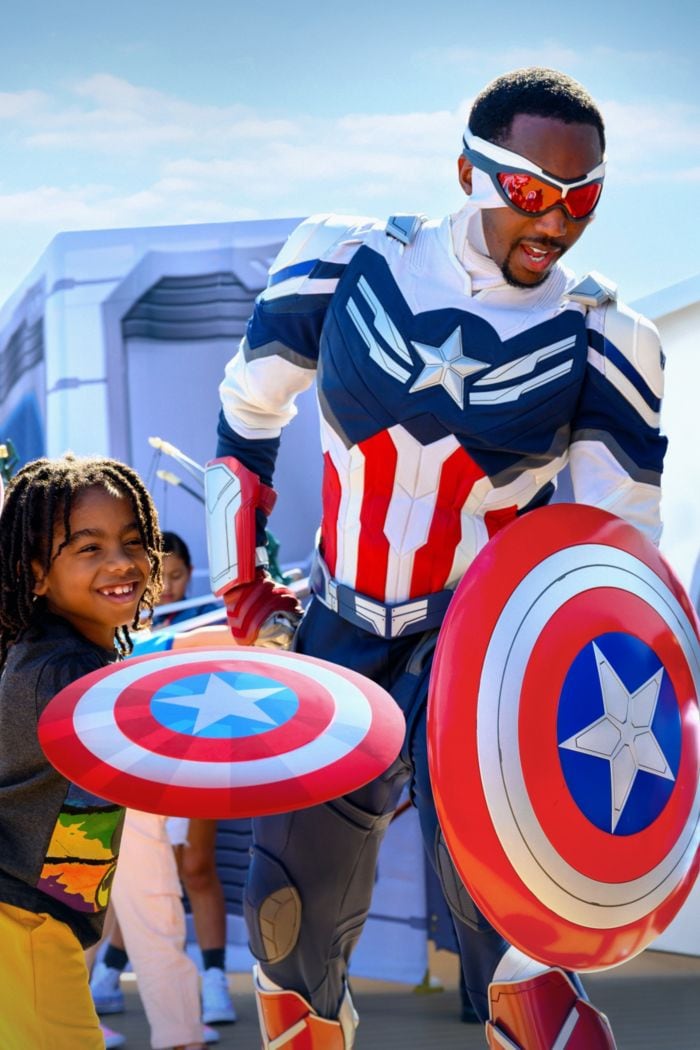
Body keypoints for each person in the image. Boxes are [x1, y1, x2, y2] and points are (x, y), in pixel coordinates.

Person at [208, 68, 667, 1049]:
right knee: (288, 942)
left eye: (583, 197)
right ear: (468, 171)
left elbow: (618, 560)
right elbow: (248, 408)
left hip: (484, 657)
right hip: (339, 633)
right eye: (530, 190)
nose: (555, 220)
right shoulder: (343, 260)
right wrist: (239, 576)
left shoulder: (605, 335)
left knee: (525, 957)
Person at [0, 453, 162, 1050]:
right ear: (37, 573)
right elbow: (160, 734)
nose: (121, 562)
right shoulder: (67, 678)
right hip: (24, 925)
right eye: (89, 547)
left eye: (133, 541)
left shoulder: (56, 655)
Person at [91, 532, 237, 1029]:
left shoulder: (199, 619)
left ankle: (210, 985)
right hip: (135, 774)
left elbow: (229, 650)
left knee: (194, 868)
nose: (169, 586)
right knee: (127, 882)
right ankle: (106, 980)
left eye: (177, 575)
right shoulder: (119, 627)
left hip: (194, 766)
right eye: (161, 576)